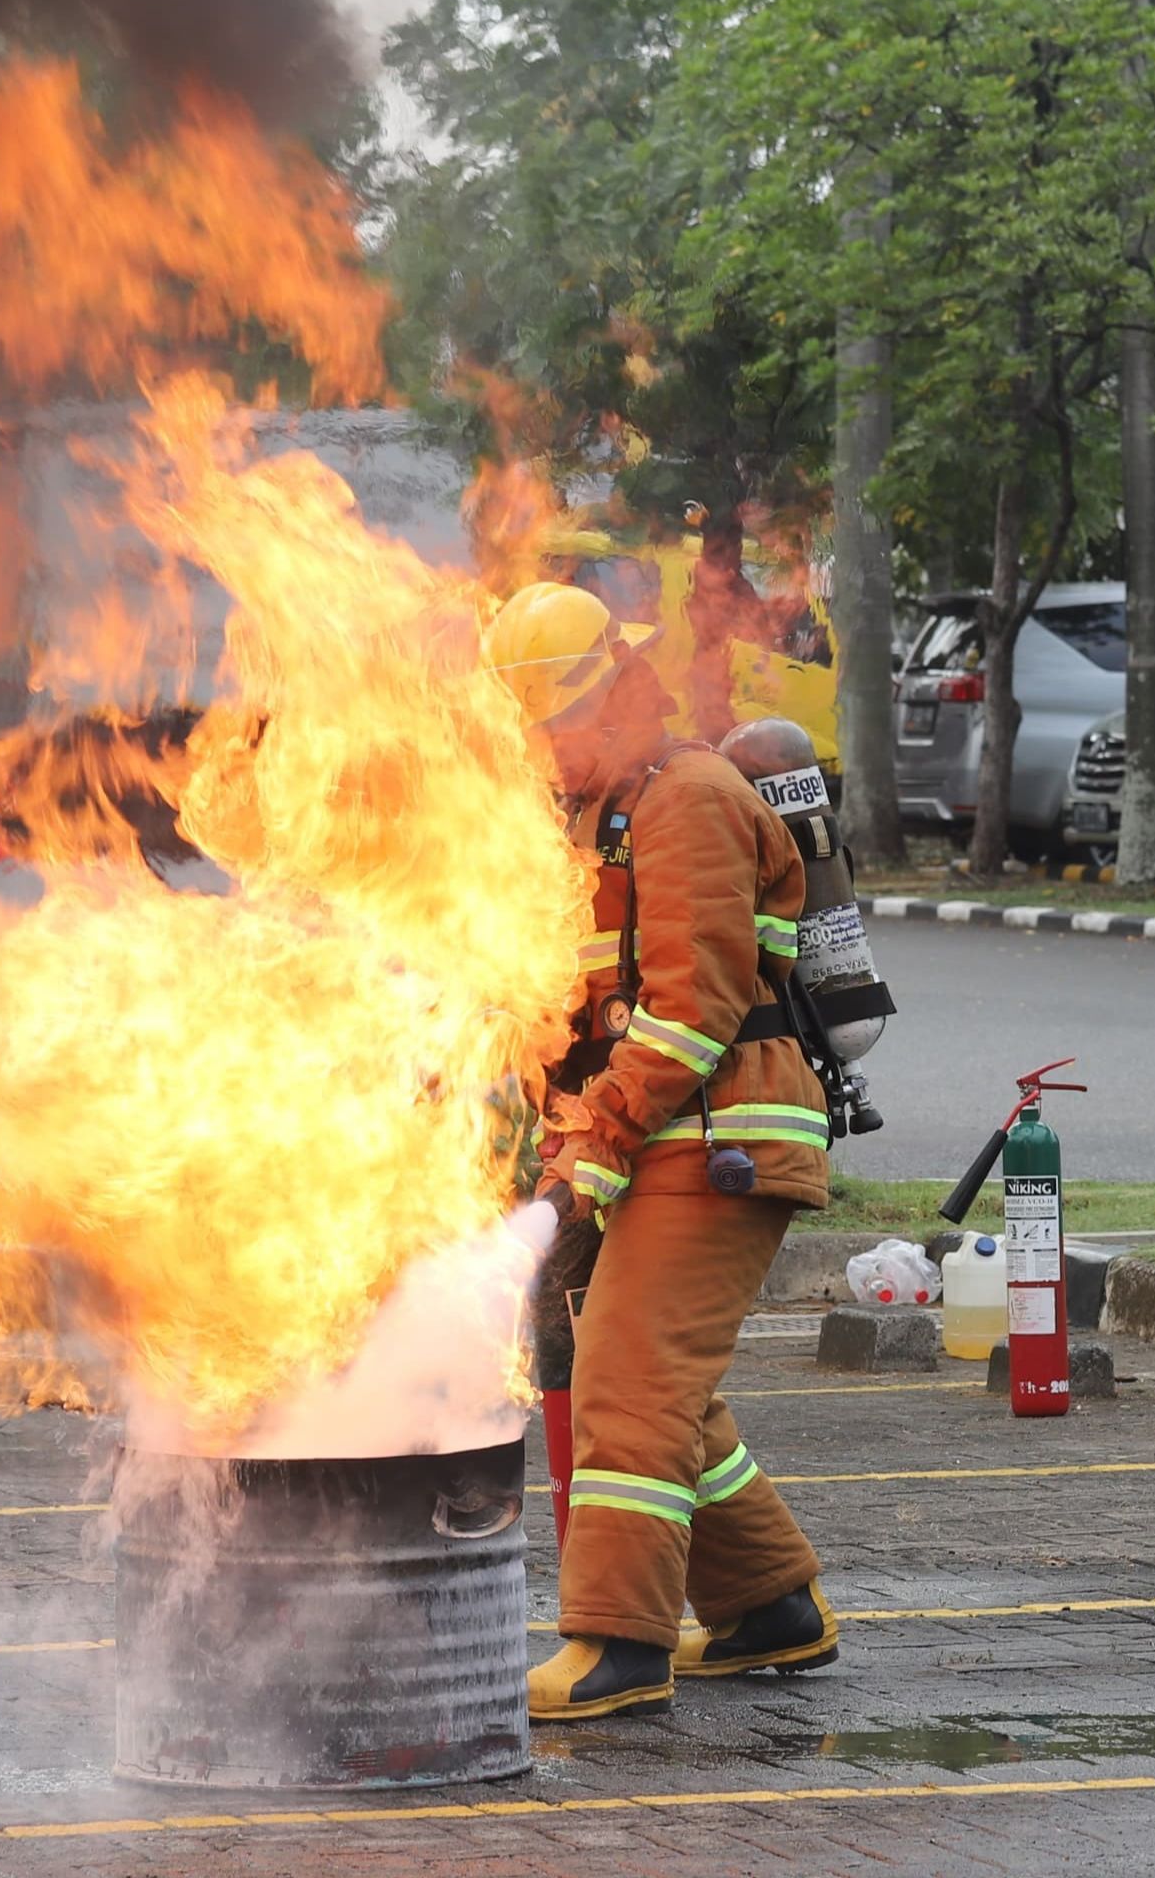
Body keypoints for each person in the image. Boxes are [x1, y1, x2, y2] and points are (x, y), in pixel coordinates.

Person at [485, 581, 838, 1722]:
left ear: (609, 698)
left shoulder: (687, 798)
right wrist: (557, 1134)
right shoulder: (606, 812)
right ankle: (768, 1605)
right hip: (659, 1137)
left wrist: (602, 1130)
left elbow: (692, 1006)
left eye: (549, 725)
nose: (541, 752)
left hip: (721, 1135)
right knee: (669, 1394)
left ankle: (615, 1642)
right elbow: (584, 1008)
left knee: (627, 1381)